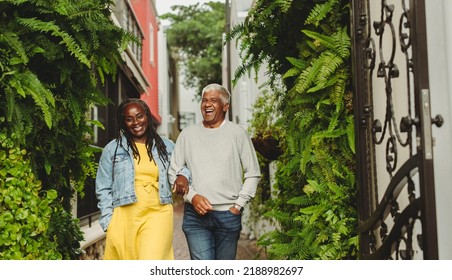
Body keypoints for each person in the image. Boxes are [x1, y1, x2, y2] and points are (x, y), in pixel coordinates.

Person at [169, 83, 261, 260]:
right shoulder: (187, 135)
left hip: (228, 214)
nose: (207, 104)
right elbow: (173, 172)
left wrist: (237, 206)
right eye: (204, 100)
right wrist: (193, 197)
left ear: (225, 106)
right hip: (195, 217)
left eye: (213, 100)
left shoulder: (238, 134)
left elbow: (253, 173)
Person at [95, 98, 190, 260]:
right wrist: (108, 222)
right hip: (125, 217)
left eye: (139, 116)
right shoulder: (112, 149)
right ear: (123, 122)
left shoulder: (166, 146)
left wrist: (183, 175)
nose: (135, 122)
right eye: (129, 119)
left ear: (147, 116)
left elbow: (184, 166)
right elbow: (103, 187)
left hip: (158, 212)